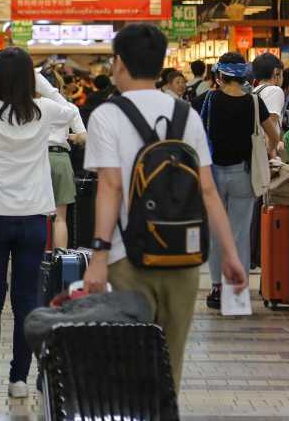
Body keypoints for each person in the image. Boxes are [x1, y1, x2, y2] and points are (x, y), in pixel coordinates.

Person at [83, 24, 249, 392]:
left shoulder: (106, 116)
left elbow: (110, 186)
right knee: (170, 367)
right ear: (160, 66)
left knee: (130, 365)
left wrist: (98, 256)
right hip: (183, 258)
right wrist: (231, 255)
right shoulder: (186, 114)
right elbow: (207, 190)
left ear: (119, 63)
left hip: (128, 258)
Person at [0, 48, 80, 400]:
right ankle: (19, 379)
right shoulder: (43, 112)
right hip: (32, 218)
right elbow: (71, 111)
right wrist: (41, 81)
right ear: (29, 79)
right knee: (26, 300)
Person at [199, 52, 281, 311]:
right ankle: (236, 292)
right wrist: (269, 149)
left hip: (213, 175)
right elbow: (274, 135)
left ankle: (216, 288)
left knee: (216, 233)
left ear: (220, 75)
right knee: (239, 234)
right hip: (243, 175)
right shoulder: (254, 102)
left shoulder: (209, 99)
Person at [42, 69, 88, 251]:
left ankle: (38, 261)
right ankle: (60, 260)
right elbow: (84, 137)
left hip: (35, 159)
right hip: (60, 159)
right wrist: (72, 137)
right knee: (60, 217)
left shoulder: (30, 106)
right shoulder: (69, 108)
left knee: (36, 215)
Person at [251, 53, 287, 143]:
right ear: (276, 72)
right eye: (282, 74)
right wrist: (274, 150)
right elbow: (270, 129)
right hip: (265, 148)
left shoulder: (255, 91)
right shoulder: (275, 91)